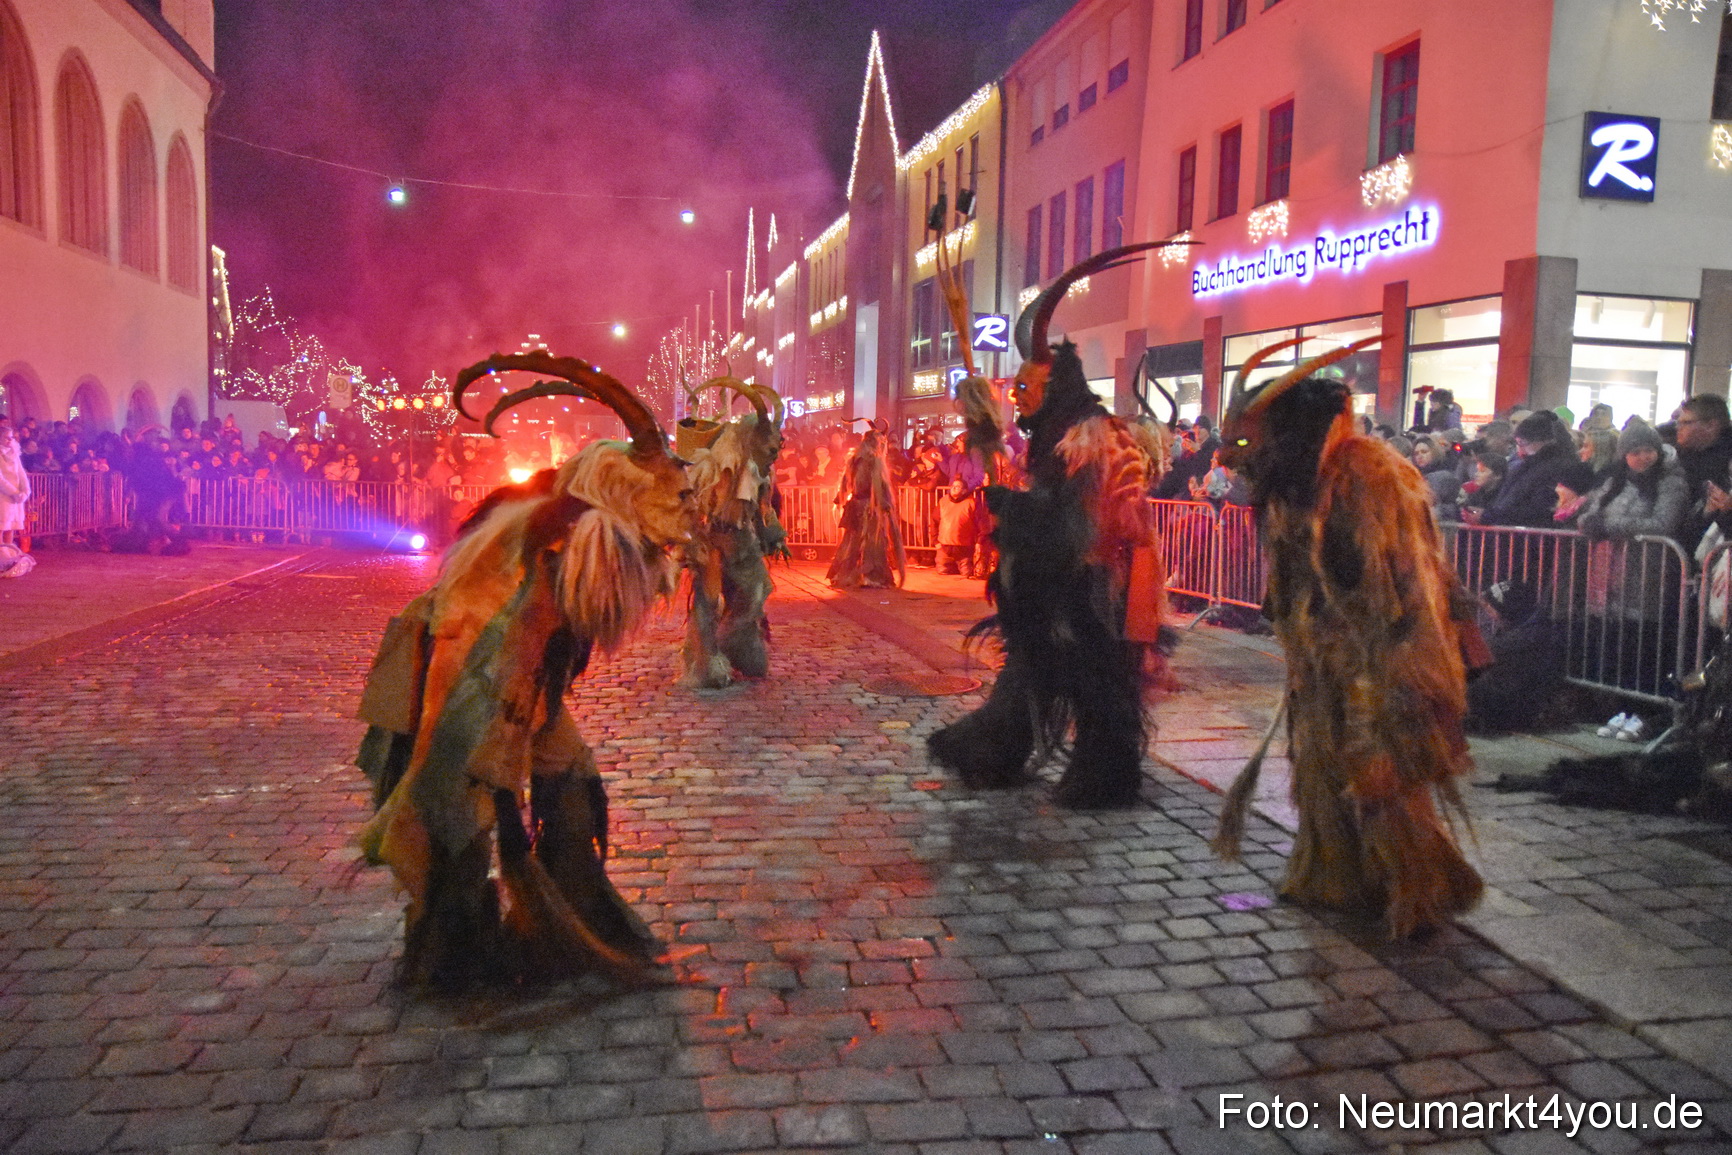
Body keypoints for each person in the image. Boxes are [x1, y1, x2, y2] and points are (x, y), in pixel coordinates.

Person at [355, 351, 686, 988]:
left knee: (571, 778)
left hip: (528, 687)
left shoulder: (586, 526)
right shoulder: (546, 522)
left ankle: (574, 919)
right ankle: (453, 952)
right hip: (466, 687)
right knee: (462, 813)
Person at [1213, 334, 1486, 938]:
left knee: (1380, 771)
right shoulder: (1294, 484)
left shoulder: (1367, 474)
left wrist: (1399, 669)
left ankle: (1420, 889)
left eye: (1241, 443)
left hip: (1385, 652)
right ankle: (1336, 877)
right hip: (1322, 657)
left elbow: (1397, 587)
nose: (1230, 461)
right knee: (1319, 767)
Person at [928, 243, 1172, 809]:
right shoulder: (1058, 439)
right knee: (1028, 672)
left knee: (1096, 685)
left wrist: (1009, 508)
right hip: (1058, 585)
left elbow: (1073, 525)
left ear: (1054, 386)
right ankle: (992, 751)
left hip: (1091, 591)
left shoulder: (1089, 437)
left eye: (1027, 388)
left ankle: (1105, 778)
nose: (1019, 397)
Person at [1576, 417, 1690, 736]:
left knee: (1645, 648)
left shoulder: (1671, 481)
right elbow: (1590, 510)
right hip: (1611, 577)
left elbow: (1664, 524)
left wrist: (1610, 528)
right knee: (1616, 645)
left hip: (1649, 577)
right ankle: (1621, 707)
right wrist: (1589, 523)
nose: (1642, 457)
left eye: (1648, 451)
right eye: (1635, 452)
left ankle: (1643, 710)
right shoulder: (1616, 482)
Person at [678, 378, 787, 689]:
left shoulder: (756, 467)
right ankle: (707, 659)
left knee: (751, 592)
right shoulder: (725, 462)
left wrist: (771, 532)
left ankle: (732, 650)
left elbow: (760, 506)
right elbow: (707, 503)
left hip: (739, 541)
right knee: (711, 599)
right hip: (715, 540)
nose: (775, 454)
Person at [826, 420, 903, 589]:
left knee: (854, 540)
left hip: (857, 504)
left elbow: (845, 482)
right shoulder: (872, 461)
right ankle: (870, 577)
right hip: (868, 506)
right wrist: (884, 503)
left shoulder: (854, 459)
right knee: (871, 541)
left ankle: (847, 575)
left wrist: (839, 499)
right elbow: (876, 485)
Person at [1465, 410, 1574, 528]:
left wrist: (1490, 515)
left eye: (1522, 443)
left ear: (1541, 441)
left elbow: (1537, 510)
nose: (1519, 450)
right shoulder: (1528, 466)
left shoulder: (1551, 470)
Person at [0, 420, 31, 551]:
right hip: (3, 497)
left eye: (11, 437)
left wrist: (25, 490)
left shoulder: (14, 453)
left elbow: (21, 473)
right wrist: (14, 492)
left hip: (16, 498)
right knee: (1, 526)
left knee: (10, 528)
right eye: (6, 437)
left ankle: (8, 555)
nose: (10, 440)